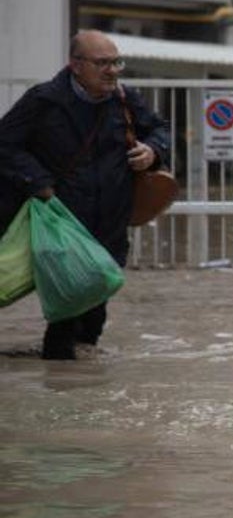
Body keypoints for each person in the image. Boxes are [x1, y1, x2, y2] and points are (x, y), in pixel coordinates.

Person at [0, 30, 170, 360]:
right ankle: (63, 375)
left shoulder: (124, 99)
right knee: (67, 310)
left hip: (109, 222)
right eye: (102, 63)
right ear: (76, 65)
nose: (112, 70)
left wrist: (153, 151)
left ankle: (82, 376)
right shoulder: (44, 100)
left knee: (94, 312)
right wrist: (39, 182)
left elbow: (161, 129)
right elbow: (5, 145)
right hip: (61, 221)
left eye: (116, 62)